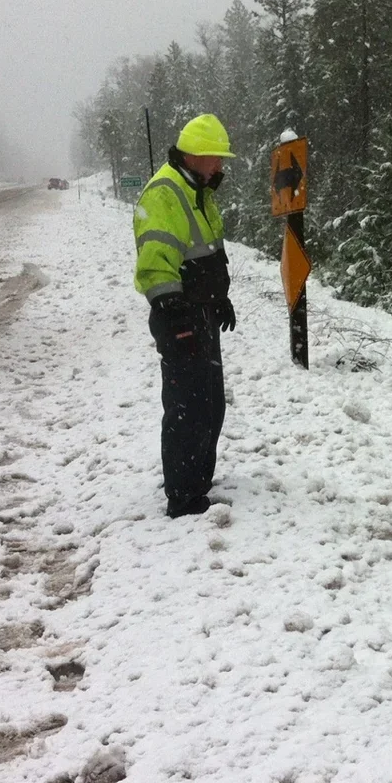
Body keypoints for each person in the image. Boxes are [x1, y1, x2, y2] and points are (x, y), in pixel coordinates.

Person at [133, 113, 238, 518]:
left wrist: (219, 298)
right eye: (216, 158)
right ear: (195, 155)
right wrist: (173, 313)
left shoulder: (197, 190)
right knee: (187, 407)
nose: (221, 166)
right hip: (179, 315)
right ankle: (183, 496)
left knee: (209, 403)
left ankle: (198, 478)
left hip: (202, 312)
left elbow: (207, 252)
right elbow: (157, 261)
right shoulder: (165, 193)